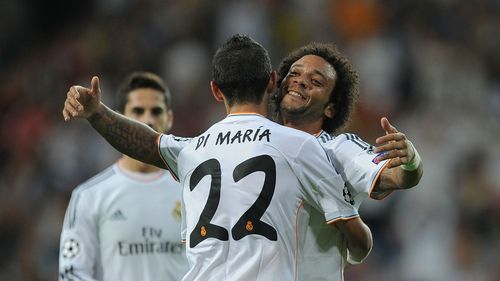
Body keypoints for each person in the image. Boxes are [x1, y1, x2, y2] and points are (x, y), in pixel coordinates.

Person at [62, 34, 373, 281]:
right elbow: (355, 237)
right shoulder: (301, 146)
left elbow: (145, 143)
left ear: (215, 90)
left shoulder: (192, 149)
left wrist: (96, 113)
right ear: (272, 81)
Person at [271, 42, 424, 280]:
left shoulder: (339, 150)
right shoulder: (256, 145)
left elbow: (396, 176)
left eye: (316, 81)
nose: (301, 81)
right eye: (295, 73)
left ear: (331, 108)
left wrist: (411, 161)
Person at [58, 72, 189, 281]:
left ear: (170, 118)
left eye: (156, 111)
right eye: (138, 111)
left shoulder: (192, 190)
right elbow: (72, 273)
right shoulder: (89, 196)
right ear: (118, 117)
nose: (148, 119)